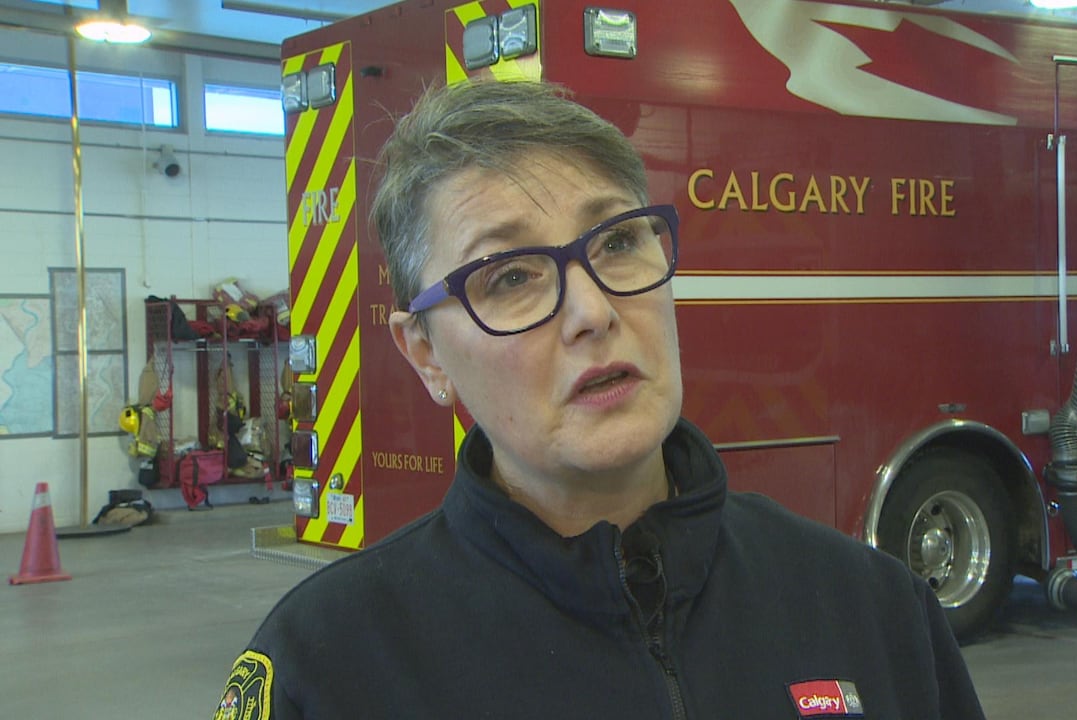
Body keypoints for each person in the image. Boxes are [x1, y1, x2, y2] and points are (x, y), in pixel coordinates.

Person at [215, 80, 986, 720]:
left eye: (618, 241)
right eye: (510, 276)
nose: (592, 312)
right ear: (426, 355)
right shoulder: (325, 669)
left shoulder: (876, 612)